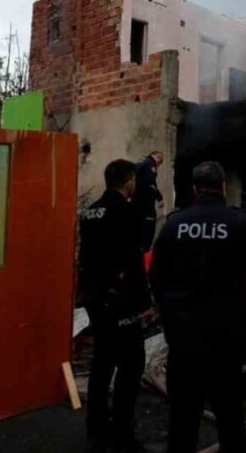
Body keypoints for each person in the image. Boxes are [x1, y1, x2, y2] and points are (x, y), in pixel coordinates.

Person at [150, 161, 246, 453]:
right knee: (231, 419)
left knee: (182, 419)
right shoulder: (240, 222)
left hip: (183, 340)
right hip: (226, 340)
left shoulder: (173, 224)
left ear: (194, 189)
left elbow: (156, 279)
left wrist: (170, 309)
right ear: (222, 187)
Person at [78, 159, 153, 453]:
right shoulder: (127, 211)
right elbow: (133, 260)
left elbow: (85, 258)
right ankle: (123, 432)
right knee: (131, 364)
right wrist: (144, 302)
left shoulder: (89, 212)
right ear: (128, 181)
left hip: (95, 298)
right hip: (119, 299)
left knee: (102, 360)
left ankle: (96, 426)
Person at [131, 151, 165, 252]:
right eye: (160, 163)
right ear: (157, 157)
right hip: (145, 202)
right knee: (149, 225)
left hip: (135, 200)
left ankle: (138, 248)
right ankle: (146, 250)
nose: (158, 166)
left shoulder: (141, 161)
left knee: (137, 227)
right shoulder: (150, 164)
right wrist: (159, 198)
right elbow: (151, 183)